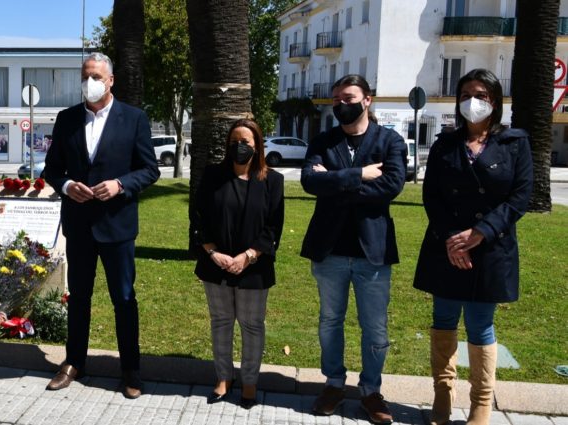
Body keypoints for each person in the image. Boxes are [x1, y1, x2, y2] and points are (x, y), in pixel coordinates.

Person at [413, 69, 533, 425]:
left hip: (490, 248)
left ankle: (481, 405)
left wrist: (479, 232)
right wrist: (453, 238)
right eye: (465, 94)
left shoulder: (515, 143)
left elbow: (519, 198)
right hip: (447, 247)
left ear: (494, 101)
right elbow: (431, 196)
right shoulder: (444, 144)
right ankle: (442, 396)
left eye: (480, 94)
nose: (472, 101)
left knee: (481, 326)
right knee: (443, 320)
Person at [42, 52, 160, 399]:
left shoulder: (134, 118)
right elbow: (53, 170)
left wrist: (120, 185)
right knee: (78, 296)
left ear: (111, 80)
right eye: (85, 76)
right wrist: (66, 186)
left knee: (123, 298)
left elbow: (150, 169)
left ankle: (130, 370)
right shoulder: (66, 119)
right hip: (78, 225)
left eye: (95, 76)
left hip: (117, 226)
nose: (89, 82)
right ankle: (74, 362)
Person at [300, 74, 406, 424]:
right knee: (330, 321)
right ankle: (333, 383)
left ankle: (371, 391)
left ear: (367, 100)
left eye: (347, 97)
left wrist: (335, 183)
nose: (340, 105)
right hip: (329, 250)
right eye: (335, 99)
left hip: (372, 253)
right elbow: (309, 181)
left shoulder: (389, 141)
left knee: (374, 327)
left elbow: (391, 185)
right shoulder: (324, 141)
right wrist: (359, 174)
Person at [191, 119, 284, 409]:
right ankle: (223, 378)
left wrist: (248, 256)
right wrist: (212, 252)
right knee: (220, 322)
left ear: (257, 146)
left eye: (245, 142)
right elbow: (198, 217)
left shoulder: (272, 181)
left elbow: (273, 227)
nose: (239, 147)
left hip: (253, 268)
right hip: (215, 264)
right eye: (234, 141)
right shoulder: (212, 175)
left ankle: (249, 382)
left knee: (252, 325)